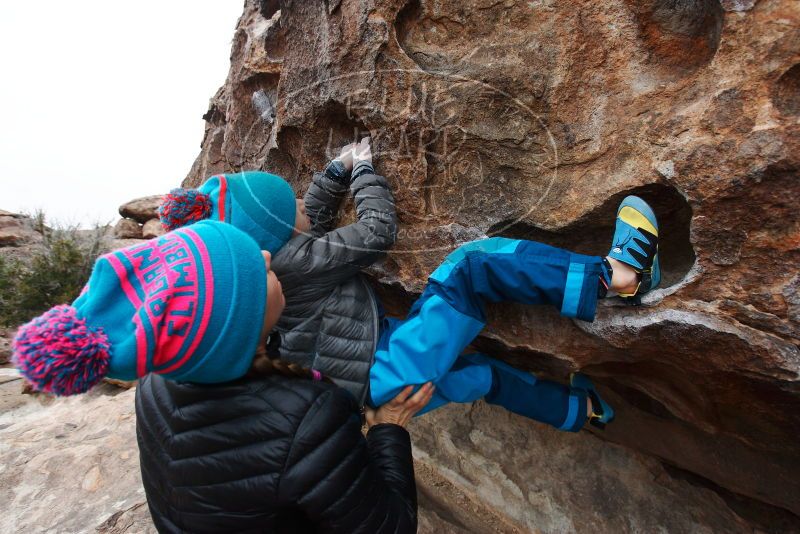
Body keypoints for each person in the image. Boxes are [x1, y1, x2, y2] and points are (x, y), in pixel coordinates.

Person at [159, 137, 662, 431]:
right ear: (275, 234)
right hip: (387, 363)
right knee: (472, 265)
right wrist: (363, 174)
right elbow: (376, 233)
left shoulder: (268, 261)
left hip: (368, 389)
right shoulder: (299, 260)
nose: (300, 203)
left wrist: (334, 173)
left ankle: (584, 410)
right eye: (289, 201)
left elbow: (302, 216)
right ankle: (616, 276)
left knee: (484, 378)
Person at [12, 220, 432, 533]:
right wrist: (388, 431)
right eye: (256, 270)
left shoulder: (157, 385)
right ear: (236, 327)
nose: (267, 256)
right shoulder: (308, 416)